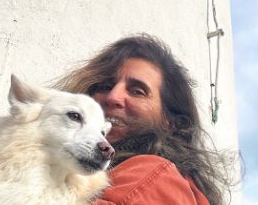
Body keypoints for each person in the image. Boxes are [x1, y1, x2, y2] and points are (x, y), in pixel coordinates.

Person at [56, 34, 235, 205]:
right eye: (105, 86)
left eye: (137, 91)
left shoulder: (155, 177)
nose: (113, 97)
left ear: (169, 122)